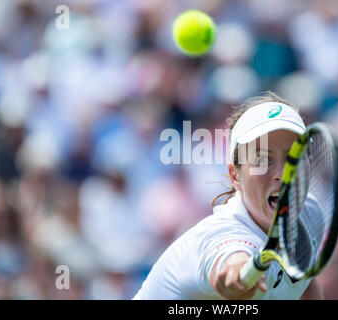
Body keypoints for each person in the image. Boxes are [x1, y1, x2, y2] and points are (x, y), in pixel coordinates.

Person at [133, 91, 324, 300]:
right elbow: (229, 261)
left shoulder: (311, 214)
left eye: (293, 157)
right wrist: (235, 275)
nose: (282, 174)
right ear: (235, 175)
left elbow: (302, 284)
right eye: (261, 160)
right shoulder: (224, 234)